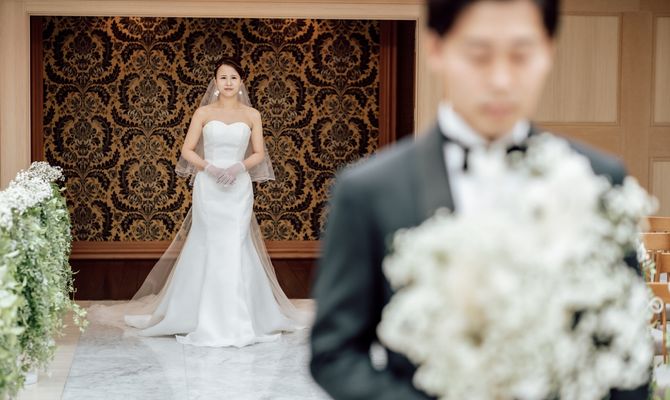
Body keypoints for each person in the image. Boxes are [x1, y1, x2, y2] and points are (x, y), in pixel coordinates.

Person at [309, 0, 649, 399]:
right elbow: (335, 353)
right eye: (479, 55)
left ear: (548, 52)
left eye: (521, 56)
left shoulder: (596, 180)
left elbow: (627, 347)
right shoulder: (370, 191)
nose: (501, 80)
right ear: (436, 49)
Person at [95, 57, 308, 347]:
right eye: (223, 77)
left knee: (236, 243)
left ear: (241, 82)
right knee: (208, 242)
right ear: (215, 82)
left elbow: (259, 153)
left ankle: (239, 318)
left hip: (238, 187)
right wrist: (209, 167)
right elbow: (187, 149)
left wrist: (238, 167)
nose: (228, 82)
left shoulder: (252, 115)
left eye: (233, 77)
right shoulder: (203, 112)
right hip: (209, 186)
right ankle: (198, 315)